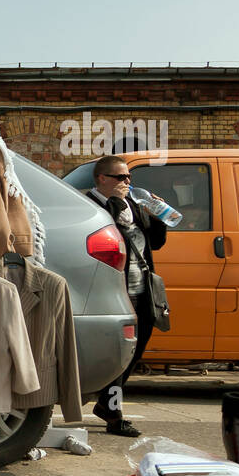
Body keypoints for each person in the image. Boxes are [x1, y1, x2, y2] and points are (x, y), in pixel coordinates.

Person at [84, 155, 167, 436]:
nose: (127, 183)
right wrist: (116, 207)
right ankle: (113, 413)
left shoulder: (134, 204)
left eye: (129, 178)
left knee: (134, 353)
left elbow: (155, 242)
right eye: (120, 178)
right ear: (102, 179)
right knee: (118, 354)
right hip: (111, 290)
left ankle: (108, 405)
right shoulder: (89, 205)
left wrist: (157, 215)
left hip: (140, 288)